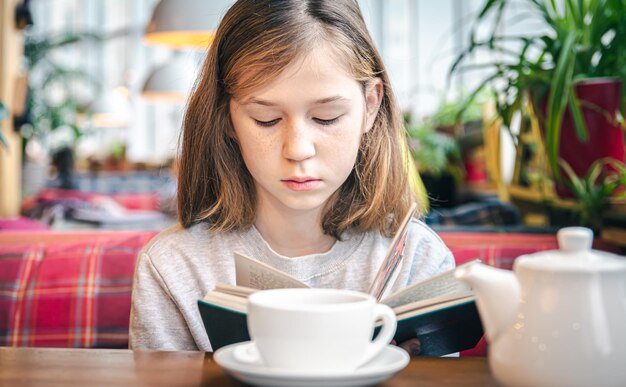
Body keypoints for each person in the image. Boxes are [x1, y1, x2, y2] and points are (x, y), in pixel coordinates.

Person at [129, 0, 454, 354]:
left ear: (371, 106)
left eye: (327, 117)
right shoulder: (173, 267)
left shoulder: (417, 259)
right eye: (266, 120)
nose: (298, 149)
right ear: (227, 120)